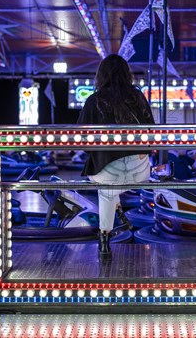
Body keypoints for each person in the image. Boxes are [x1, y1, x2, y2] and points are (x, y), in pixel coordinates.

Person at [77, 54, 155, 260]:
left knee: (104, 185)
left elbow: (81, 138)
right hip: (140, 170)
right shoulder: (138, 97)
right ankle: (120, 215)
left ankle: (104, 239)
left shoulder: (94, 101)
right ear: (126, 74)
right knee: (109, 183)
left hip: (110, 171)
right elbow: (152, 131)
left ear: (101, 75)